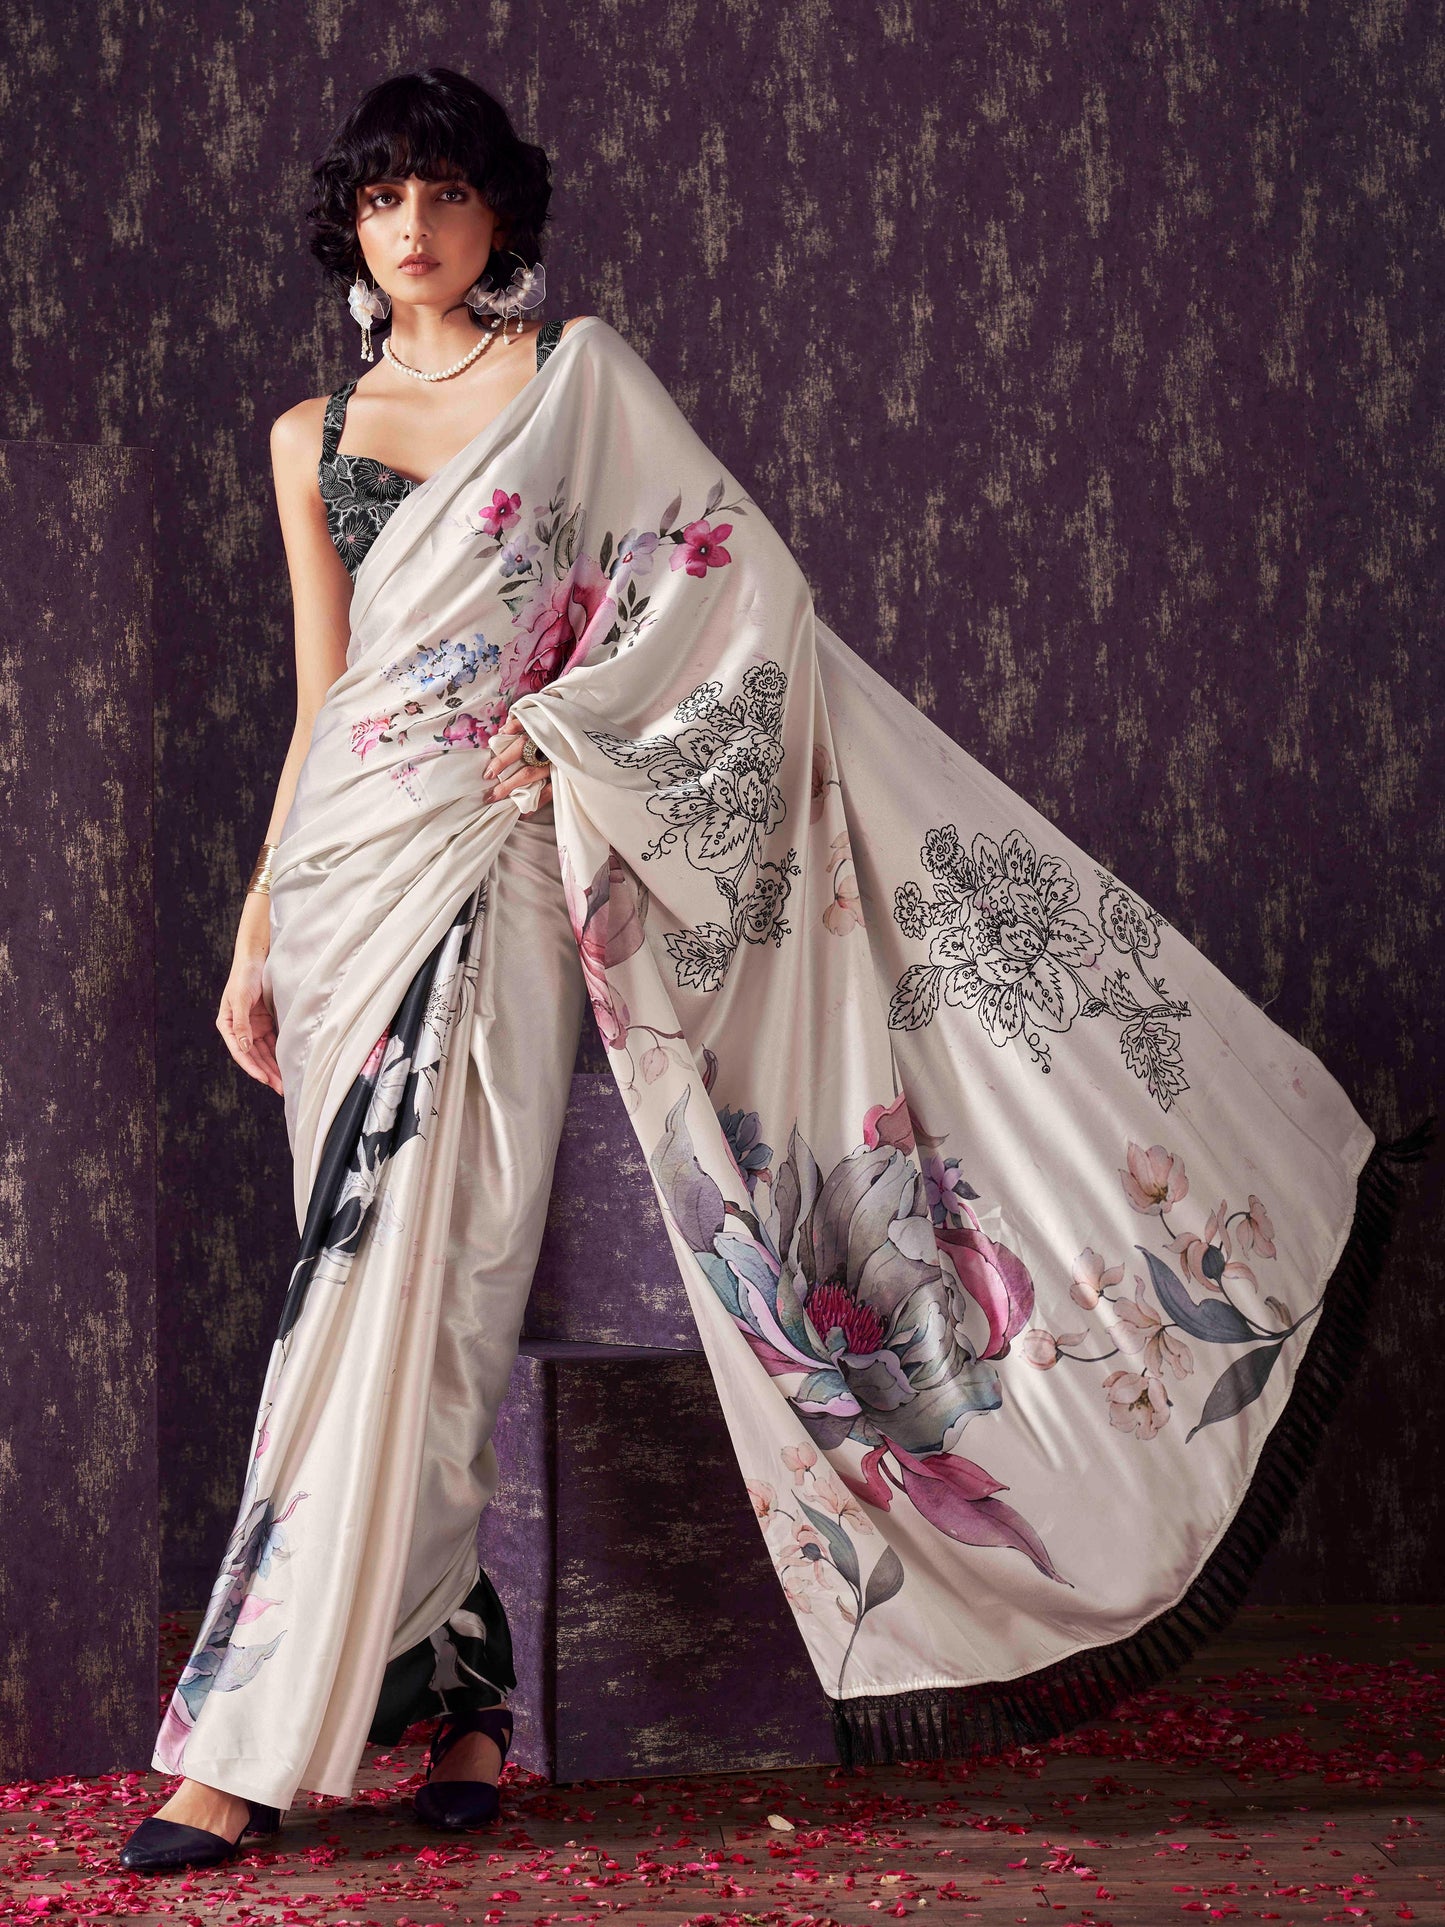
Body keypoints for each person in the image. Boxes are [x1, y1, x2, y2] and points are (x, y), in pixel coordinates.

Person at [119, 63, 1431, 1877]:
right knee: (377, 1296)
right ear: (349, 227)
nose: (410, 228)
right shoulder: (305, 434)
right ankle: (463, 1689)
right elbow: (321, 693)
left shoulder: (575, 385)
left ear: (501, 216)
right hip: (347, 880)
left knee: (421, 1284)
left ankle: (246, 1747)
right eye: (379, 200)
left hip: (494, 868)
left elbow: (739, 603)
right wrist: (261, 917)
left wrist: (573, 735)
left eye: (443, 194)